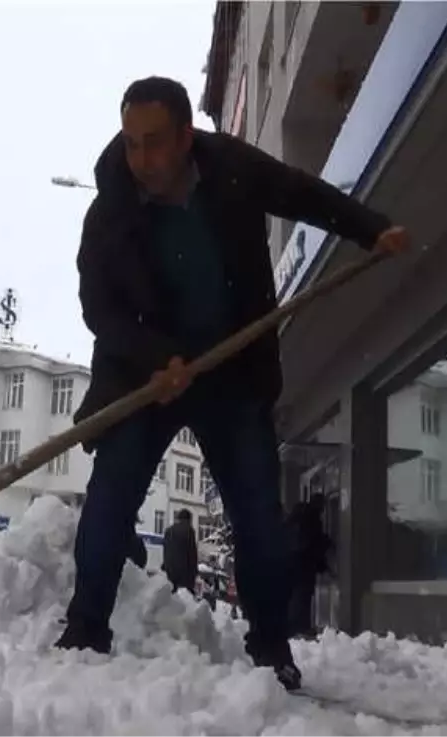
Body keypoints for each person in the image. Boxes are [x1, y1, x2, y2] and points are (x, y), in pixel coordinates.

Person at [52, 76, 408, 692]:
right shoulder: (109, 207)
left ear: (188, 135)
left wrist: (369, 228)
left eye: (156, 142)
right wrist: (156, 356)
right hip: (144, 376)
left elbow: (300, 193)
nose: (143, 159)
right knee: (110, 499)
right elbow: (98, 307)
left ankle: (271, 647)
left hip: (230, 371)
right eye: (132, 143)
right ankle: (85, 629)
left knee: (258, 517)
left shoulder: (231, 168)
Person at [285, 493, 334, 638]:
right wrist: (327, 545)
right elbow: (313, 546)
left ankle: (294, 626)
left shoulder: (296, 515)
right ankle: (299, 627)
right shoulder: (312, 518)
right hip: (304, 565)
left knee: (296, 596)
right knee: (303, 596)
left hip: (290, 563)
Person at [160, 509, 198, 594]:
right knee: (185, 601)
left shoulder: (168, 531)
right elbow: (192, 554)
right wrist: (194, 573)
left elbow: (165, 551)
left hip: (169, 572)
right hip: (184, 575)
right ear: (189, 519)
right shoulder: (189, 531)